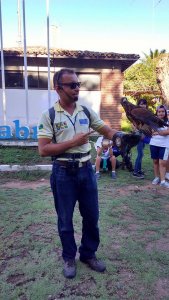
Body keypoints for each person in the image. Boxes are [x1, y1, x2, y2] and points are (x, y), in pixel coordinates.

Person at [38, 68, 118, 279]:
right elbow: (43, 149)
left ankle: (88, 254)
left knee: (92, 216)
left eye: (77, 84)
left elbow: (104, 129)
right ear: (58, 88)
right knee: (65, 219)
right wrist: (74, 142)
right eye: (72, 85)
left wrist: (118, 135)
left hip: (86, 171)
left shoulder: (86, 111)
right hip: (63, 173)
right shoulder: (50, 115)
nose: (77, 88)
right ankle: (68, 257)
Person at [149, 105, 169, 188]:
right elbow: (151, 131)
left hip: (164, 145)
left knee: (163, 163)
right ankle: (157, 177)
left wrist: (158, 132)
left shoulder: (167, 122)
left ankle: (163, 181)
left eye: (162, 111)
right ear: (156, 113)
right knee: (155, 162)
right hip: (153, 144)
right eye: (159, 111)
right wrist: (162, 132)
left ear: (165, 112)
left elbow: (167, 132)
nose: (161, 113)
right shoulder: (153, 121)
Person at [132, 98, 150, 179]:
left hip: (145, 136)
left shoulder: (148, 114)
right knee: (140, 154)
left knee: (141, 153)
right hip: (139, 136)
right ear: (138, 105)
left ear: (146, 105)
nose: (142, 105)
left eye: (144, 104)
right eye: (141, 104)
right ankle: (135, 172)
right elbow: (134, 126)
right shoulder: (136, 115)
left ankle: (138, 170)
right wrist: (138, 132)